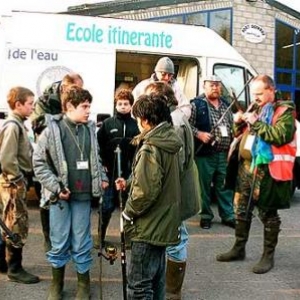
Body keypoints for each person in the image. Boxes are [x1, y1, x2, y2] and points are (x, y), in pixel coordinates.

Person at [32, 85, 109, 299]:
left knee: (81, 240)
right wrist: (56, 187)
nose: (88, 111)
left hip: (83, 197)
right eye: (84, 106)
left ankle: (83, 285)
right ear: (69, 106)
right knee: (59, 240)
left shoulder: (89, 130)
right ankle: (57, 284)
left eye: (89, 106)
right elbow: (38, 163)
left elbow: (96, 159)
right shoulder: (51, 131)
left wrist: (102, 178)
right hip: (60, 198)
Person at [216, 75, 296, 274]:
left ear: (272, 89)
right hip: (246, 167)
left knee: (268, 214)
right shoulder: (256, 107)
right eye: (254, 94)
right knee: (241, 209)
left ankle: (268, 256)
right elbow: (241, 133)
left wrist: (256, 123)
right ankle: (238, 248)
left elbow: (280, 136)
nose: (256, 97)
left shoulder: (285, 110)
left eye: (260, 94)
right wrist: (237, 122)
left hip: (267, 171)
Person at [116, 95, 182, 299]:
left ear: (145, 120)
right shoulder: (168, 140)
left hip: (147, 227)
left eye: (138, 119)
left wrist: (127, 214)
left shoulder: (151, 147)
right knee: (155, 281)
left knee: (139, 286)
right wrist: (128, 182)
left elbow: (146, 191)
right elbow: (157, 179)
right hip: (163, 222)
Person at [145, 81, 200, 300]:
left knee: (176, 240)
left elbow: (173, 167)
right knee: (176, 238)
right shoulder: (176, 117)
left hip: (174, 193)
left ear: (160, 100)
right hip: (178, 191)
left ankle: (172, 292)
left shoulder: (174, 123)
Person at [30, 73, 84, 252]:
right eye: (75, 90)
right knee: (47, 199)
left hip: (69, 157)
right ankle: (48, 238)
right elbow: (38, 125)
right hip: (48, 158)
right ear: (64, 88)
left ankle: (64, 237)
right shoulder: (45, 101)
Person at [0, 86, 39, 284]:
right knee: (16, 224)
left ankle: (3, 262)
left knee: (7, 222)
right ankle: (14, 268)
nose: (33, 107)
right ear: (18, 104)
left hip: (13, 181)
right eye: (30, 104)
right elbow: (7, 158)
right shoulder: (13, 126)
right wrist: (18, 179)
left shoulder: (18, 124)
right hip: (13, 183)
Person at [189, 75, 235, 229]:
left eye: (217, 85)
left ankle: (228, 215)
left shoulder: (226, 105)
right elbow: (187, 126)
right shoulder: (196, 105)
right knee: (204, 187)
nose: (215, 87)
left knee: (224, 186)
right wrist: (199, 134)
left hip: (223, 153)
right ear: (205, 86)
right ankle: (206, 216)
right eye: (212, 85)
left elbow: (232, 127)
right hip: (204, 155)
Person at [97, 89, 139, 246]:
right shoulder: (108, 124)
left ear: (131, 105)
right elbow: (97, 146)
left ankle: (127, 237)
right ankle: (100, 237)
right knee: (106, 207)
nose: (122, 106)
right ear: (115, 105)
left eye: (126, 104)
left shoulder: (136, 126)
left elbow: (139, 149)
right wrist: (102, 166)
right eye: (119, 103)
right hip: (110, 173)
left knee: (128, 207)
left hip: (128, 174)